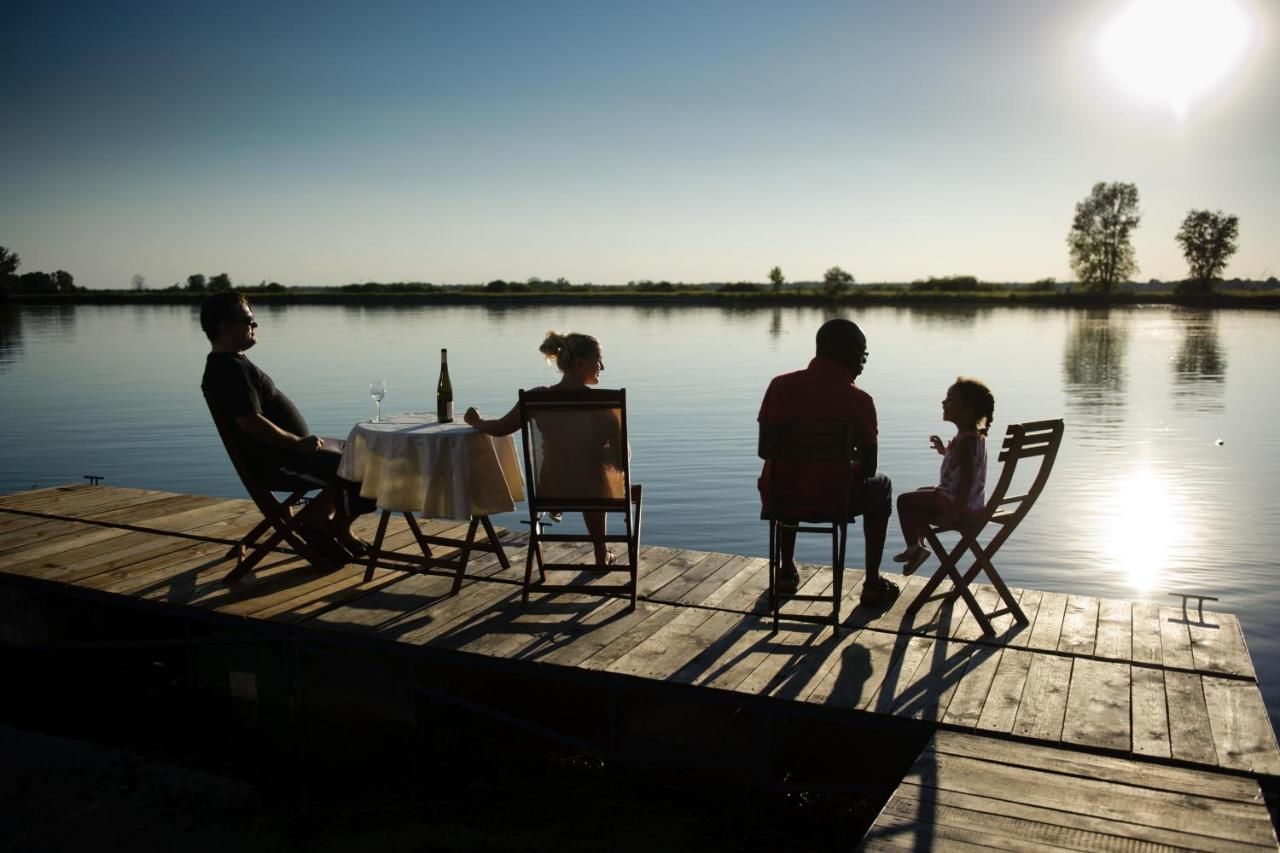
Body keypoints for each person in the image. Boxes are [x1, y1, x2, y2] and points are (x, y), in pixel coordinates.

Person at [199, 290, 372, 563]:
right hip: (280, 462)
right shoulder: (229, 368)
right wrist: (295, 443)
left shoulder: (231, 364)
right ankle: (334, 524)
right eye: (249, 320)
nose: (255, 326)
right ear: (225, 326)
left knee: (367, 453)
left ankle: (323, 517)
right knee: (368, 467)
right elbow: (250, 422)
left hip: (289, 454)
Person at [757, 318, 898, 607]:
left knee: (791, 473)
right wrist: (838, 470)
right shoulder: (859, 400)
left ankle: (785, 572)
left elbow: (764, 450)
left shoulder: (778, 386)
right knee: (882, 485)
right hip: (834, 499)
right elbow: (868, 469)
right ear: (847, 354)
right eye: (862, 355)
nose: (863, 363)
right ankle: (872, 584)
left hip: (781, 495)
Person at [464, 331, 622, 566]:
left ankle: (562, 517)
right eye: (598, 360)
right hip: (593, 492)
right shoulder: (602, 404)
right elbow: (622, 461)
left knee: (582, 475)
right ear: (580, 365)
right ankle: (601, 554)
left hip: (551, 488)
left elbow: (501, 428)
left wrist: (476, 422)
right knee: (593, 478)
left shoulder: (537, 398)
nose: (602, 366)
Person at [893, 377, 995, 575]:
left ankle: (915, 548)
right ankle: (919, 547)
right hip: (970, 503)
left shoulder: (966, 442)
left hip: (956, 504)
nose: (944, 402)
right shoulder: (971, 437)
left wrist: (954, 513)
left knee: (904, 501)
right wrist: (944, 450)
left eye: (951, 399)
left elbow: (966, 480)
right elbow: (961, 464)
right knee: (921, 494)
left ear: (968, 410)